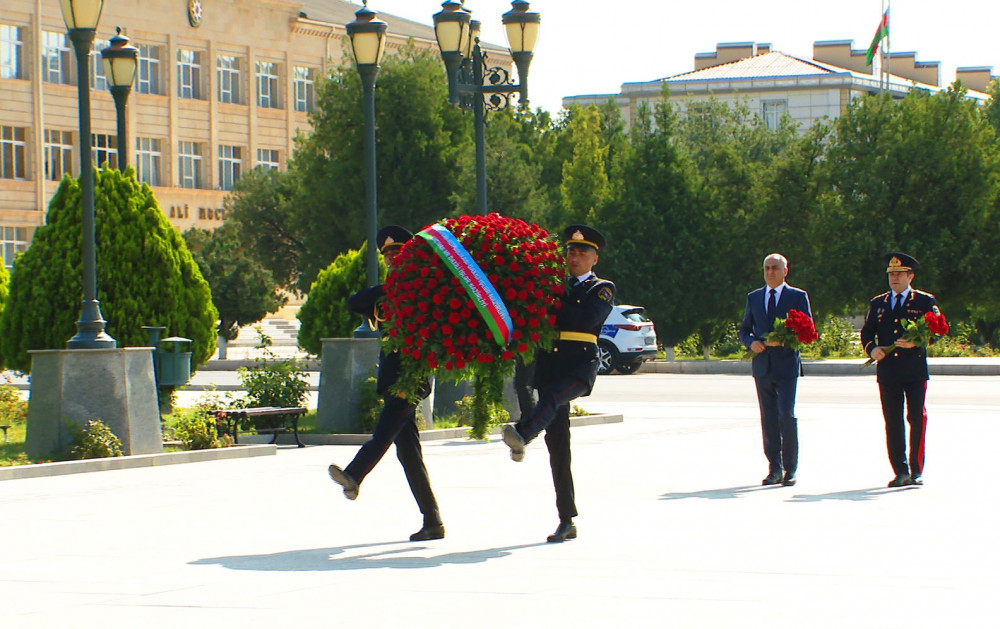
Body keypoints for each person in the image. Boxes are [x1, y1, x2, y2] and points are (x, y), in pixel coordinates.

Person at [327, 226, 444, 542]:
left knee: (384, 431)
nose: (392, 258)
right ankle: (432, 521)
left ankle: (355, 474)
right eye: (388, 254)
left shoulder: (423, 289)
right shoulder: (390, 291)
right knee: (409, 455)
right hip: (393, 377)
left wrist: (404, 287)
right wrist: (392, 289)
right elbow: (354, 302)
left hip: (411, 377)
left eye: (397, 252)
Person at [501, 224, 616, 543]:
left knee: (552, 396)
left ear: (594, 258)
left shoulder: (602, 288)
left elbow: (584, 320)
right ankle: (567, 520)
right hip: (551, 365)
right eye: (571, 252)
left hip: (578, 368)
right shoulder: (553, 284)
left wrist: (548, 297)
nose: (574, 257)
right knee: (559, 448)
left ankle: (523, 433)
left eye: (582, 253)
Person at [860, 252, 941, 488]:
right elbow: (867, 332)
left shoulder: (924, 301)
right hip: (888, 371)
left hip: (914, 369)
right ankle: (900, 471)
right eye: (891, 274)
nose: (894, 278)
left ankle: (916, 470)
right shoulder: (878, 303)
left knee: (916, 418)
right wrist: (872, 349)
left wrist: (917, 341)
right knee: (893, 421)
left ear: (910, 276)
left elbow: (936, 331)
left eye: (899, 273)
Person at [738, 253, 812, 487]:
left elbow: (807, 331)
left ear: (785, 271)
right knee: (768, 418)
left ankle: (790, 468)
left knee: (786, 415)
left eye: (775, 268)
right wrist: (751, 343)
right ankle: (774, 468)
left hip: (786, 366)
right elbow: (744, 329)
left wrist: (784, 340)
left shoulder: (797, 296)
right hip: (762, 367)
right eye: (767, 268)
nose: (770, 272)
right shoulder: (754, 297)